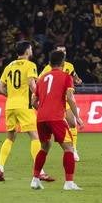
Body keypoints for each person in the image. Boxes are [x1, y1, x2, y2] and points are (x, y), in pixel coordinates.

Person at [0, 40, 53, 182]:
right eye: (31, 49)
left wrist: (12, 96)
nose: (32, 51)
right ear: (27, 51)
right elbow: (33, 85)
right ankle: (40, 171)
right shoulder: (30, 65)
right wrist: (41, 99)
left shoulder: (9, 66)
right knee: (35, 137)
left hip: (10, 106)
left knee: (10, 138)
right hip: (24, 106)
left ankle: (0, 167)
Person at [30, 49, 84, 191]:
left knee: (44, 147)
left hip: (41, 117)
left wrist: (43, 109)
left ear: (49, 63)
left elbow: (33, 100)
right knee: (69, 148)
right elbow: (70, 98)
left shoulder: (42, 78)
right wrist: (77, 117)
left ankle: (35, 180)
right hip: (56, 117)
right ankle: (69, 183)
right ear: (63, 62)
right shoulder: (66, 77)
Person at [41, 46, 83, 161]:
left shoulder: (69, 66)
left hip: (66, 98)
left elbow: (74, 75)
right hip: (54, 100)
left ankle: (73, 149)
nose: (62, 53)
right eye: (60, 51)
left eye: (64, 51)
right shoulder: (49, 68)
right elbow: (40, 80)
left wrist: (78, 80)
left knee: (72, 123)